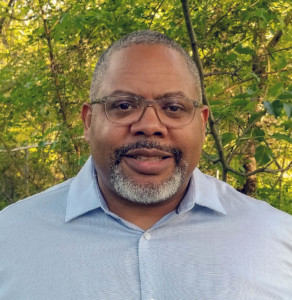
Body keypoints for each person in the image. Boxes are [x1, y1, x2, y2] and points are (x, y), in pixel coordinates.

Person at [0, 30, 291, 300]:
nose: (150, 126)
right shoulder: (9, 239)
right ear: (88, 121)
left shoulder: (277, 238)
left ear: (202, 124)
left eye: (173, 108)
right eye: (124, 105)